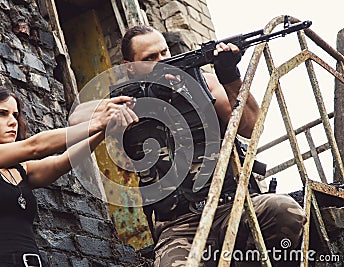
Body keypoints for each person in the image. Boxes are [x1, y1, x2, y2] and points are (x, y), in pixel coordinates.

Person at [119, 25, 306, 266]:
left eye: (164, 52)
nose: (163, 61)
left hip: (232, 205)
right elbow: (78, 120)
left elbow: (250, 127)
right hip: (179, 225)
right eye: (150, 58)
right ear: (130, 67)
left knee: (283, 210)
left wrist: (229, 75)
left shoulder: (205, 83)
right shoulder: (127, 105)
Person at [0, 86, 138, 267]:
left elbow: (61, 162)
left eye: (15, 115)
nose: (13, 121)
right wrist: (95, 122)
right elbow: (34, 147)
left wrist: (104, 130)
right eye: (2, 113)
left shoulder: (20, 170)